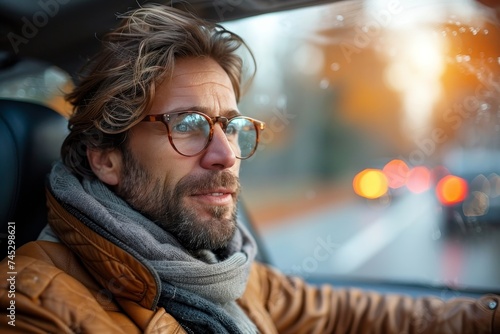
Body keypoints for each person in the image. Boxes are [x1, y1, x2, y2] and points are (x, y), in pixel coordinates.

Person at [1, 4, 499, 333]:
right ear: (106, 157)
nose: (224, 154)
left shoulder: (224, 270)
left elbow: (351, 313)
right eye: (189, 124)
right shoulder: (31, 303)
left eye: (232, 126)